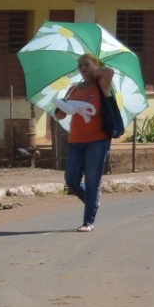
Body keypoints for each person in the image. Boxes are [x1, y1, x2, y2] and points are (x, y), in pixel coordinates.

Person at [57, 53, 119, 233]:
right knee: (71, 180)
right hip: (75, 141)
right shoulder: (73, 89)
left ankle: (88, 221)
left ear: (96, 65)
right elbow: (60, 115)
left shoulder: (102, 85)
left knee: (92, 180)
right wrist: (62, 106)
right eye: (80, 66)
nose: (83, 68)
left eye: (87, 65)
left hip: (97, 141)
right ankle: (93, 201)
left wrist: (94, 72)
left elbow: (109, 71)